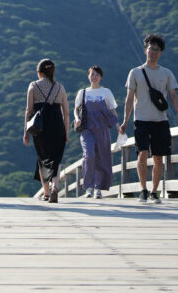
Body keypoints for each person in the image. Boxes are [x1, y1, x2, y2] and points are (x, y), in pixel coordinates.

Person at [120, 34, 178, 204]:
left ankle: (154, 192)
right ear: (145, 50)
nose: (153, 52)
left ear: (160, 53)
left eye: (157, 50)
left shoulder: (167, 73)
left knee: (158, 157)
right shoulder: (135, 72)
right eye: (151, 49)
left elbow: (173, 95)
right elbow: (129, 98)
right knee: (142, 154)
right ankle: (143, 189)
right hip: (141, 119)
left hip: (160, 121)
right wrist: (125, 120)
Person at [23, 58, 68, 202]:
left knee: (42, 159)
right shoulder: (60, 87)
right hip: (58, 127)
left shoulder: (33, 85)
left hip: (40, 128)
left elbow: (29, 110)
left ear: (39, 72)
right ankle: (55, 187)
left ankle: (47, 193)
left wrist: (26, 132)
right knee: (56, 160)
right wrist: (66, 133)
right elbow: (66, 112)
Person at [75, 65, 121, 199]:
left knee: (102, 157)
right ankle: (88, 187)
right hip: (87, 129)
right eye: (92, 74)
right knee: (89, 155)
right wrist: (77, 118)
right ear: (88, 76)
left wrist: (118, 126)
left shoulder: (106, 92)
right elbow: (76, 109)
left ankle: (98, 188)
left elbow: (112, 111)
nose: (94, 77)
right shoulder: (82, 92)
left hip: (102, 129)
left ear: (101, 77)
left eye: (97, 75)